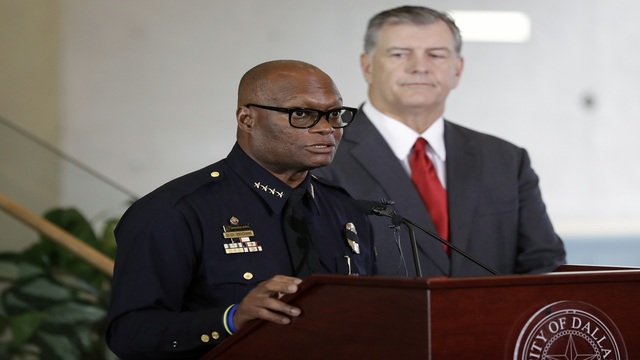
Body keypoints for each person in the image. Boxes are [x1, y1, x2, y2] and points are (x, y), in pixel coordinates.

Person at [106, 60, 374, 359]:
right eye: (302, 114)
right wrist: (231, 319)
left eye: (334, 114)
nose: (327, 129)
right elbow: (129, 334)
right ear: (247, 119)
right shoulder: (175, 211)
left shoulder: (345, 209)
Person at [314, 5, 566, 278]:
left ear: (457, 70)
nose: (419, 67)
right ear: (367, 66)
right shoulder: (321, 155)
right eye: (400, 54)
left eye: (436, 55)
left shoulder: (506, 159)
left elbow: (545, 265)